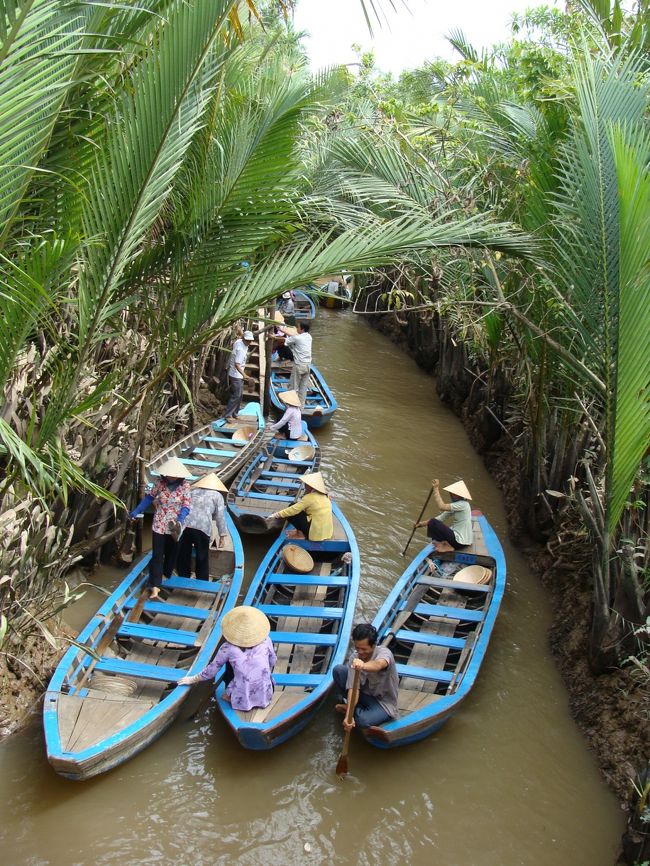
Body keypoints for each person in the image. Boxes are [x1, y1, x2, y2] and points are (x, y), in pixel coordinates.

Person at [178, 606, 276, 712]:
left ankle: (234, 697)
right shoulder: (266, 640)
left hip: (242, 694)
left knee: (232, 667)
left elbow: (211, 671)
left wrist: (192, 679)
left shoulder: (228, 648)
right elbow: (272, 660)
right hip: (265, 691)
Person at [129, 458, 192, 600]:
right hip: (159, 524)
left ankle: (167, 573)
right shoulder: (159, 483)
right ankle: (155, 586)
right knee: (158, 555)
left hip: (176, 526)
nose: (171, 476)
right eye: (169, 474)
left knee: (172, 552)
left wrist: (179, 521)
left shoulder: (185, 486)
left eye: (174, 475)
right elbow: (149, 498)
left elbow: (186, 506)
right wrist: (137, 511)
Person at [333, 623, 399, 730]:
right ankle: (351, 709)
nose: (360, 652)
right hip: (364, 695)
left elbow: (378, 665)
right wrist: (348, 717)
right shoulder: (355, 658)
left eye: (364, 649)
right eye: (357, 648)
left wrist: (363, 666)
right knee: (339, 670)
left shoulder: (384, 653)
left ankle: (356, 711)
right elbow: (353, 689)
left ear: (373, 645)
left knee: (362, 721)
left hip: (383, 703)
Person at [175, 472, 228, 581]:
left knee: (184, 554)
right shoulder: (217, 496)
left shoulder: (192, 492)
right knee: (202, 556)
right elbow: (220, 517)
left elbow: (181, 508)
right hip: (202, 528)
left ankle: (183, 577)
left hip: (186, 526)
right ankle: (202, 580)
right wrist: (222, 535)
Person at [268, 471, 333, 541]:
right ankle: (299, 532)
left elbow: (293, 510)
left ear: (311, 486)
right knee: (297, 508)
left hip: (314, 534)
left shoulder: (309, 497)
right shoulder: (325, 495)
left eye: (306, 484)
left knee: (292, 508)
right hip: (327, 533)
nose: (305, 486)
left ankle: (300, 534)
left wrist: (277, 514)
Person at [415, 478, 474, 553]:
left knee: (433, 522)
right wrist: (420, 524)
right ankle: (445, 544)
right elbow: (440, 518)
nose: (450, 495)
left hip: (459, 542)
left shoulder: (462, 505)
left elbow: (441, 506)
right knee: (433, 522)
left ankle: (445, 546)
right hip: (464, 542)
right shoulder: (459, 505)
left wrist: (436, 489)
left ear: (457, 495)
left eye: (452, 493)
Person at [223, 330, 254, 422]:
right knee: (236, 395)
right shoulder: (240, 349)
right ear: (244, 339)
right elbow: (237, 364)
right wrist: (244, 375)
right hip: (236, 374)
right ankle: (228, 415)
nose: (249, 342)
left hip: (237, 373)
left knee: (239, 395)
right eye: (248, 340)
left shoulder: (239, 342)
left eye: (250, 340)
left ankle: (235, 413)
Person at [283, 321, 312, 409]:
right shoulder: (309, 337)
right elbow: (295, 337)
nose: (296, 328)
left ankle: (290, 408)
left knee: (292, 387)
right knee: (303, 389)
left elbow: (286, 342)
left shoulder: (297, 338)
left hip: (299, 365)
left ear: (302, 329)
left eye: (298, 327)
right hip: (307, 366)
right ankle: (300, 408)